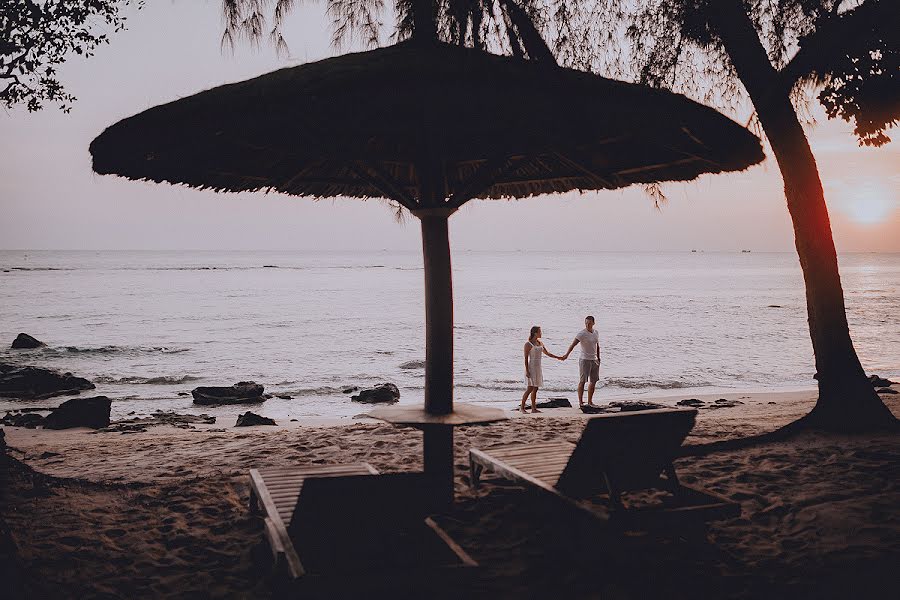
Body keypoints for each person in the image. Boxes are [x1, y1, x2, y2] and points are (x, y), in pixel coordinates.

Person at [521, 326, 563, 414]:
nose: (541, 333)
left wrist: (558, 357)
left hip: (538, 368)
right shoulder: (528, 344)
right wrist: (527, 371)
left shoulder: (540, 343)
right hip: (531, 367)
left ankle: (533, 408)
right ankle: (522, 408)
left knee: (536, 388)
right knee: (530, 388)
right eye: (540, 332)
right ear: (535, 333)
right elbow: (525, 358)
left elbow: (548, 353)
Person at [562, 315, 601, 407]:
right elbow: (573, 345)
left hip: (594, 360)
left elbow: (597, 346)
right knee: (583, 381)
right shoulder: (582, 334)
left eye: (589, 323)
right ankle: (580, 402)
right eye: (586, 323)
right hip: (584, 360)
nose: (587, 325)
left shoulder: (596, 333)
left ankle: (590, 401)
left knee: (593, 381)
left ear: (593, 323)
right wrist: (566, 355)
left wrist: (599, 358)